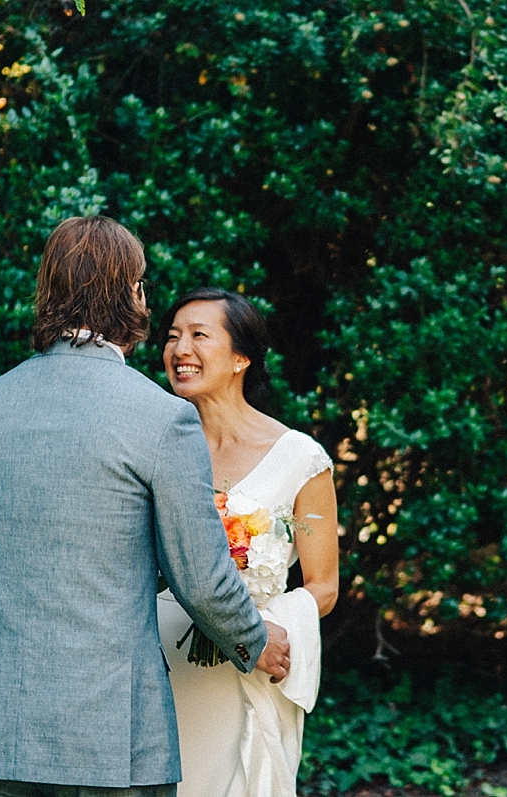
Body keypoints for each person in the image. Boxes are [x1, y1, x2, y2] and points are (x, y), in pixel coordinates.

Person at [0, 217, 291, 797]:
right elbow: (199, 577)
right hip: (107, 740)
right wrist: (254, 639)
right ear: (131, 295)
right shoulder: (159, 417)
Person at [155, 287, 339, 797]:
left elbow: (323, 587)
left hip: (247, 663)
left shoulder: (300, 457)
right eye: (172, 337)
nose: (179, 349)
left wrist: (257, 631)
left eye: (198, 335)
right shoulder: (155, 449)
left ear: (241, 357)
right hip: (162, 666)